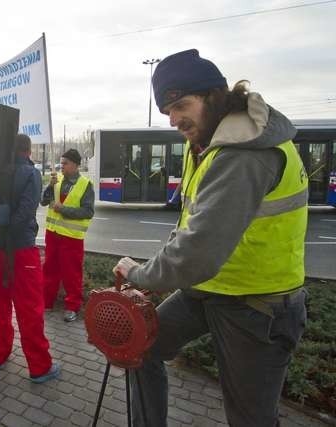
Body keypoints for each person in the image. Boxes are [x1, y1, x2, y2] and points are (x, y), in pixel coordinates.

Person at [112, 49, 308, 427]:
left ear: (215, 96)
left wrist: (140, 274)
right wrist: (159, 277)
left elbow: (197, 251)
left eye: (182, 105)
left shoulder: (244, 154)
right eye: (168, 112)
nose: (175, 120)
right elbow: (188, 227)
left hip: (257, 306)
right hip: (209, 289)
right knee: (140, 349)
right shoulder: (204, 145)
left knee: (250, 419)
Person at [0, 134, 60, 384]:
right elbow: (27, 210)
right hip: (20, 250)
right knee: (29, 309)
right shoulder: (31, 173)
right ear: (29, 150)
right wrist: (11, 236)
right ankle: (40, 367)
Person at [41, 149, 94, 322]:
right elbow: (43, 201)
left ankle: (72, 307)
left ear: (76, 165)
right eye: (61, 163)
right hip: (53, 233)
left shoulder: (85, 185)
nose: (61, 166)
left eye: (65, 163)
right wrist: (49, 186)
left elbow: (87, 211)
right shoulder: (57, 180)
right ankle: (46, 302)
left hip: (72, 238)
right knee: (50, 269)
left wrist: (63, 209)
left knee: (72, 274)